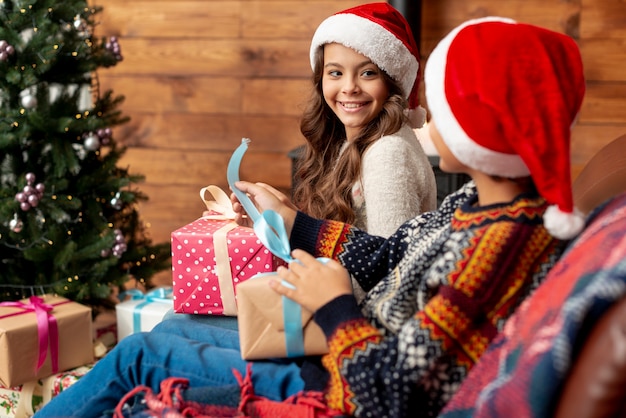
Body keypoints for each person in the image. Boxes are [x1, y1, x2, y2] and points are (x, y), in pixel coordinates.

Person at [35, 15, 587, 418]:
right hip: (348, 345)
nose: (429, 116)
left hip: (337, 377)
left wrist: (334, 306)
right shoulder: (474, 205)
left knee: (140, 354)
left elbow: (393, 395)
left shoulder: (496, 247)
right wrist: (296, 221)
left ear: (480, 126)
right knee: (175, 327)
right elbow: (392, 254)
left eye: (443, 107)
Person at [292, 2, 436, 239]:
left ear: (392, 82)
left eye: (368, 73)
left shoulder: (388, 152)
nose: (349, 88)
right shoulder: (351, 143)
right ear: (321, 79)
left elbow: (390, 265)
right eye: (336, 73)